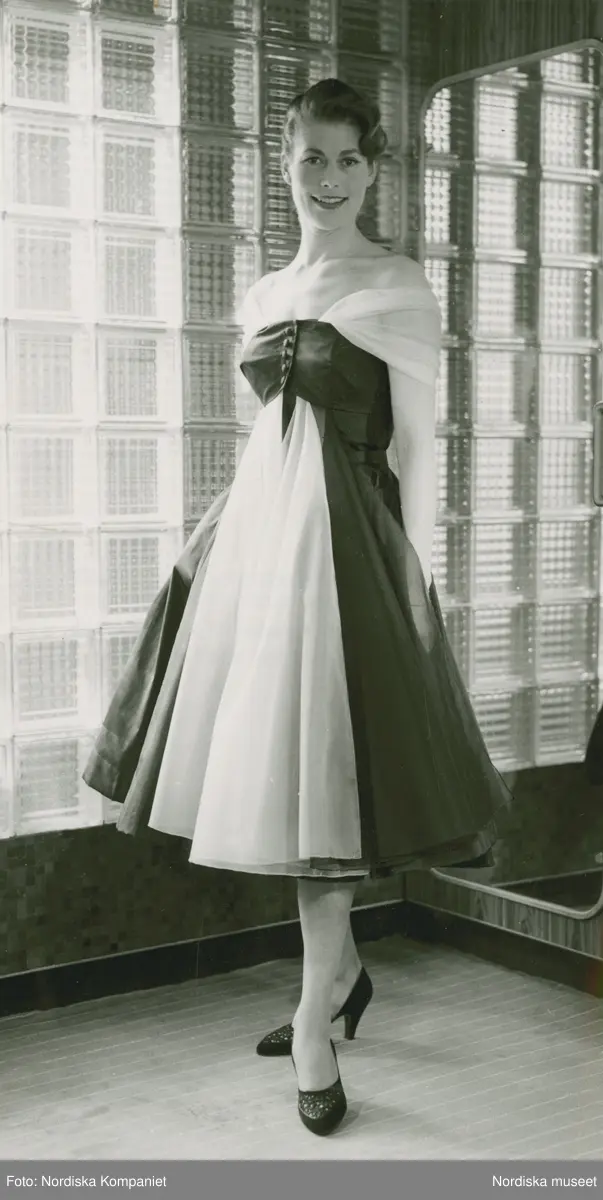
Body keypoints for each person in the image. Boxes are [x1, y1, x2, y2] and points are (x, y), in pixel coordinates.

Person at [83, 78, 512, 1137]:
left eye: (347, 159)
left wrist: (415, 580)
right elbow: (272, 434)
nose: (328, 178)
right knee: (286, 782)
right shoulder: (265, 291)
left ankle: (315, 1021)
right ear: (284, 162)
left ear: (372, 170)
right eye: (310, 157)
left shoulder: (396, 283)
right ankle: (344, 975)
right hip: (263, 547)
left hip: (352, 552)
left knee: (325, 790)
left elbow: (418, 447)